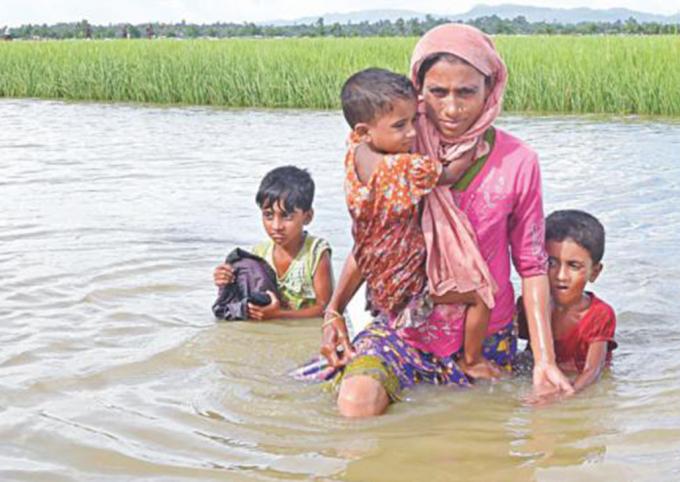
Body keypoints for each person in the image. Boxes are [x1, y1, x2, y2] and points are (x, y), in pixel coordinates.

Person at [321, 24, 572, 417]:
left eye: (466, 92)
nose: (452, 109)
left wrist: (544, 362)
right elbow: (374, 239)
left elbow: (532, 264)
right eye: (437, 92)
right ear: (418, 89)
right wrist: (333, 309)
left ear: (490, 90)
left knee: (476, 436)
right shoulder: (394, 147)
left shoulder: (518, 161)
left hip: (485, 333)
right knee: (356, 404)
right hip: (404, 327)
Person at [337, 67, 500, 379]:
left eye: (415, 120)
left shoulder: (355, 153)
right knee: (480, 295)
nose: (413, 133)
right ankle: (473, 360)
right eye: (400, 125)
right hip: (408, 283)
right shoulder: (405, 168)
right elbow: (449, 174)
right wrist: (475, 145)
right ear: (364, 130)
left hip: (377, 279)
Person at [213, 166, 333, 320]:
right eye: (268, 215)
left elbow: (325, 308)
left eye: (286, 216)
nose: (276, 226)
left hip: (296, 326)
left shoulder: (315, 253)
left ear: (307, 216)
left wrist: (280, 315)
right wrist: (225, 279)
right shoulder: (259, 253)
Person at [518, 210, 617, 394]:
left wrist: (567, 396)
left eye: (573, 266)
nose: (561, 276)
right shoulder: (530, 305)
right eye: (551, 263)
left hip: (578, 382)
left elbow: (593, 371)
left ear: (594, 272)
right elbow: (525, 354)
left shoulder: (598, 314)